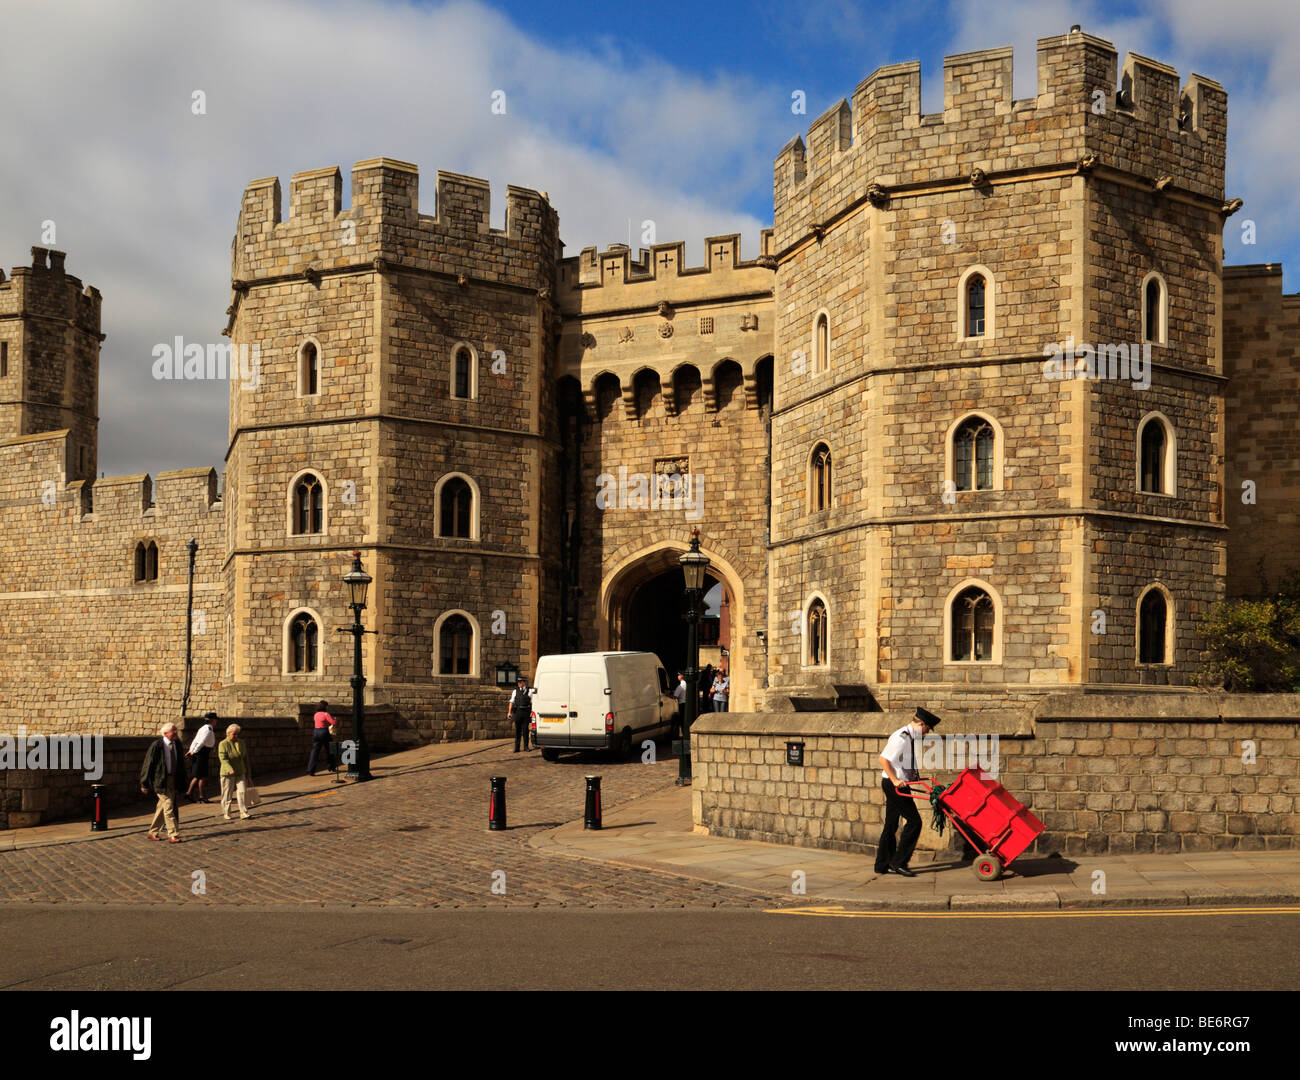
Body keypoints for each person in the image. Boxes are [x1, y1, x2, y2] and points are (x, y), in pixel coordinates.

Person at [874, 707, 941, 877]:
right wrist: (896, 780)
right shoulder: (901, 738)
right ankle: (899, 863)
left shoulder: (908, 737)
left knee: (891, 825)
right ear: (921, 723)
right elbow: (883, 759)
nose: (925, 733)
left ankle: (882, 864)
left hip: (900, 784)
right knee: (915, 822)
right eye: (926, 729)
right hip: (895, 785)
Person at [139, 721, 187, 843]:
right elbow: (148, 764)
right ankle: (173, 834)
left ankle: (152, 832)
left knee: (162, 807)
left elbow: (180, 763)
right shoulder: (157, 745)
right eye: (173, 731)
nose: (176, 733)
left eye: (176, 730)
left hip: (173, 779)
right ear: (166, 733)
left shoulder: (177, 744)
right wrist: (144, 783)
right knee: (169, 805)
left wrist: (183, 780)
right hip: (161, 780)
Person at [219, 723, 253, 821]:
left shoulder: (241, 742)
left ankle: (243, 812)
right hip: (227, 773)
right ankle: (226, 812)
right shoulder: (223, 744)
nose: (236, 736)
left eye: (238, 734)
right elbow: (223, 758)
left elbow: (245, 758)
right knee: (227, 794)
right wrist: (229, 768)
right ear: (228, 734)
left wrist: (248, 773)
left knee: (242, 791)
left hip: (240, 771)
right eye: (234, 734)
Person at [185, 712, 218, 803]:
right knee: (200, 776)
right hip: (202, 753)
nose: (216, 721)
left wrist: (191, 750)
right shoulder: (208, 729)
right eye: (215, 720)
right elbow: (202, 742)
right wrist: (193, 751)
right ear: (213, 720)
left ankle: (199, 795)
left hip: (200, 752)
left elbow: (195, 740)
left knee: (200, 775)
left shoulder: (203, 728)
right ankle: (191, 794)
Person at [307, 700, 335, 776]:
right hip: (324, 732)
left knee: (314, 752)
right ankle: (331, 767)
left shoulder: (316, 714)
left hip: (316, 732)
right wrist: (335, 719)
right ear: (325, 707)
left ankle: (311, 770)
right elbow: (333, 722)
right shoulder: (326, 714)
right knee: (330, 750)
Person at [508, 676, 533, 752]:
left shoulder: (530, 691)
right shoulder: (515, 691)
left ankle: (526, 747)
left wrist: (532, 711)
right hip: (518, 711)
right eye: (518, 682)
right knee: (517, 730)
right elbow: (511, 701)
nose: (519, 683)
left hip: (526, 712)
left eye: (520, 682)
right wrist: (509, 712)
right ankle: (517, 747)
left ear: (524, 682)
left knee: (525, 730)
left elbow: (533, 702)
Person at [671, 672, 687, 739]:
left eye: (679, 675)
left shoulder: (680, 686)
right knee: (684, 719)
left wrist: (667, 695)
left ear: (681, 676)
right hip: (686, 703)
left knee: (681, 720)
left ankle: (682, 734)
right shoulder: (686, 683)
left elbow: (675, 696)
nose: (678, 676)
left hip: (681, 704)